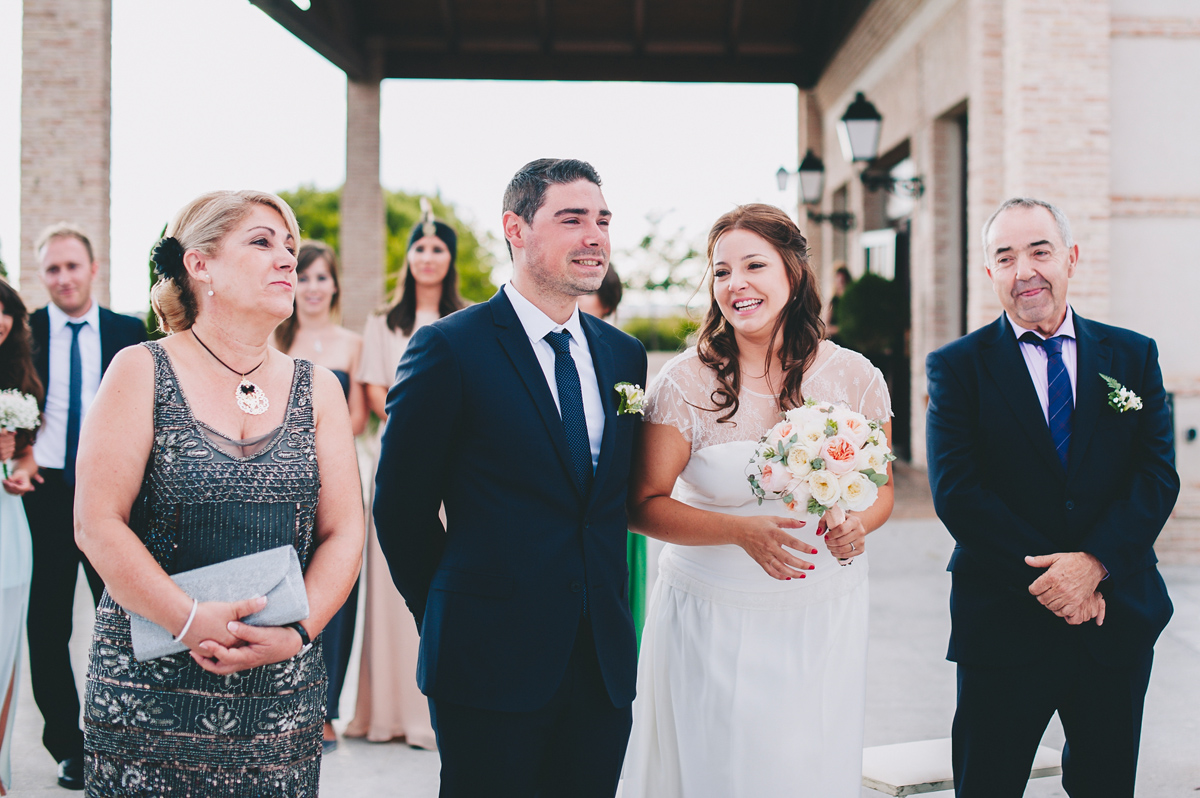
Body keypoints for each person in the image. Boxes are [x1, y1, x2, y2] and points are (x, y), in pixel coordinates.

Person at [73, 190, 364, 795]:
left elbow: (345, 532)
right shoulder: (140, 369)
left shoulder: (319, 389)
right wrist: (187, 620)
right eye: (262, 242)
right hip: (149, 698)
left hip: (281, 698)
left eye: (289, 243)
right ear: (199, 264)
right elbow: (97, 522)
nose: (287, 258)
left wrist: (297, 635)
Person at [374, 158, 647, 796]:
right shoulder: (449, 349)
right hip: (486, 659)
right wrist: (445, 612)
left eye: (603, 220)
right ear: (515, 230)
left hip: (601, 661)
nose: (595, 236)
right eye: (572, 219)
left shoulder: (621, 353)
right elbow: (401, 509)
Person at [622, 204, 894, 797]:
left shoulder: (856, 378)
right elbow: (641, 504)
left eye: (753, 265)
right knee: (720, 768)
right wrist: (741, 532)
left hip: (823, 610)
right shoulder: (684, 382)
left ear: (793, 274)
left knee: (807, 764)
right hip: (711, 615)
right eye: (721, 271)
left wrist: (860, 525)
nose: (735, 283)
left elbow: (883, 490)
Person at [925, 197, 1177, 798]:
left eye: (1039, 251)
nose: (1024, 270)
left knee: (1106, 785)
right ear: (990, 274)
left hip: (1114, 617)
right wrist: (1059, 582)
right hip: (1005, 620)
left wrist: (1092, 567)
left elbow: (1156, 476)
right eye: (1005, 257)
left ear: (1071, 258)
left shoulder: (1133, 355)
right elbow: (958, 493)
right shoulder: (956, 367)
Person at [24, 224, 146, 790]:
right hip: (43, 496)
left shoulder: (128, 332)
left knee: (124, 620)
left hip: (113, 497)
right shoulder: (24, 331)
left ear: (93, 269)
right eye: (52, 269)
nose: (64, 278)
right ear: (41, 275)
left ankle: (122, 737)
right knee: (47, 627)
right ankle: (69, 747)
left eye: (72, 266)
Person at [344, 200, 466, 750]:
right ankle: (388, 712)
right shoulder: (382, 323)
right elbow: (374, 392)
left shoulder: (469, 318)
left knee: (447, 580)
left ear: (450, 258)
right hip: (399, 464)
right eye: (420, 247)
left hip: (457, 470)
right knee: (395, 592)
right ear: (408, 257)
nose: (428, 256)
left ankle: (439, 710)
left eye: (438, 247)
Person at [274, 240, 366, 752]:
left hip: (338, 474)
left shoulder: (352, 345)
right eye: (302, 277)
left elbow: (355, 419)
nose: (311, 287)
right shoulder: (273, 339)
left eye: (320, 278)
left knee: (337, 587)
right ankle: (284, 698)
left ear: (334, 285)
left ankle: (325, 710)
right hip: (282, 481)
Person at [0, 278, 43, 795]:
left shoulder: (17, 376)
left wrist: (20, 466)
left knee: (8, 641)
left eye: (6, 310)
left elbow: (26, 456)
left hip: (9, 520)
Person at [823, 263, 851, 344]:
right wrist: (841, 329)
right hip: (837, 342)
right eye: (839, 281)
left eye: (843, 281)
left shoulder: (851, 301)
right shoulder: (832, 302)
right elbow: (825, 328)